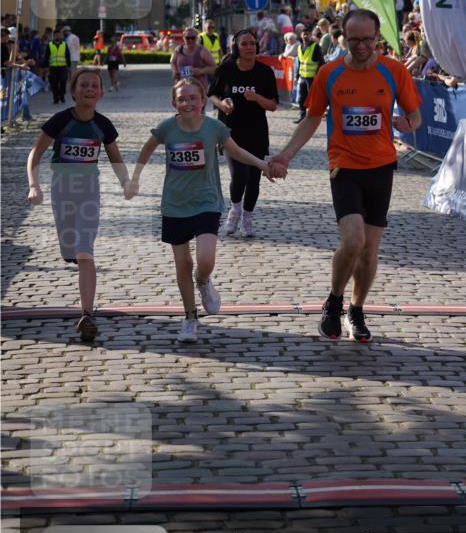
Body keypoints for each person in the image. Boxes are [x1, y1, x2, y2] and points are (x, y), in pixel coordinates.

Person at [269, 9, 422, 345]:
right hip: (344, 165)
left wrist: (408, 123)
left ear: (378, 37)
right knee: (353, 241)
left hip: (381, 166)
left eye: (368, 39)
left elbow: (415, 114)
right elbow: (312, 119)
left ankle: (356, 309)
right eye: (354, 40)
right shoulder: (330, 73)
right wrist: (286, 154)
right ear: (344, 39)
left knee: (369, 250)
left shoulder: (394, 71)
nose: (362, 46)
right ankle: (334, 300)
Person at [126, 78, 284, 342]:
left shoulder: (214, 128)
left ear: (202, 102)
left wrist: (262, 165)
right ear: (174, 103)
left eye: (192, 98)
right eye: (181, 99)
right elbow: (146, 149)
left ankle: (203, 281)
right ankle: (190, 319)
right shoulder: (166, 128)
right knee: (183, 264)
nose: (187, 103)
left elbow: (237, 152)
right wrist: (134, 178)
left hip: (207, 202)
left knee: (205, 259)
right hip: (175, 204)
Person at [26, 67, 130, 342]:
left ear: (101, 93)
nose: (89, 89)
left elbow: (115, 158)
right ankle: (73, 255)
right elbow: (35, 154)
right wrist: (34, 185)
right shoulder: (60, 120)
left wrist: (126, 182)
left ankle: (87, 314)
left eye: (94, 85)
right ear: (73, 91)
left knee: (85, 252)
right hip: (62, 191)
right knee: (70, 248)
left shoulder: (103, 125)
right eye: (83, 85)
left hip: (89, 193)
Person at [208, 28, 279, 238]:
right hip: (230, 132)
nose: (249, 47)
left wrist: (257, 98)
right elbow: (211, 95)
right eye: (244, 44)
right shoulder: (226, 69)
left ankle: (247, 217)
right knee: (240, 175)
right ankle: (235, 210)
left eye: (252, 43)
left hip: (256, 132)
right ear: (236, 48)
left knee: (254, 179)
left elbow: (273, 105)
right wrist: (223, 104)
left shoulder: (265, 72)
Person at [170, 26, 217, 97]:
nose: (190, 40)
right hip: (181, 88)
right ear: (183, 38)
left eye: (193, 38)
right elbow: (172, 61)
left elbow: (214, 68)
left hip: (199, 89)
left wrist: (201, 71)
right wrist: (174, 71)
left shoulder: (203, 51)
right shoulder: (179, 50)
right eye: (187, 38)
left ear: (197, 38)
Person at [295, 26, 324, 123]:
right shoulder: (299, 47)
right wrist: (297, 76)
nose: (305, 36)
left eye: (307, 34)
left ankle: (312, 117)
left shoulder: (315, 47)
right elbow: (299, 62)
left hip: (312, 78)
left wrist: (317, 75)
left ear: (311, 35)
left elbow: (321, 62)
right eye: (304, 34)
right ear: (301, 35)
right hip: (303, 77)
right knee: (301, 98)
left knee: (312, 99)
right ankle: (302, 116)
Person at [46, 26, 71, 104]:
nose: (58, 36)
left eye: (59, 35)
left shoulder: (64, 44)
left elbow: (68, 56)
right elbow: (46, 56)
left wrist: (69, 66)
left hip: (63, 67)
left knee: (63, 82)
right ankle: (55, 98)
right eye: (56, 35)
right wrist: (46, 67)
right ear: (54, 36)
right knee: (54, 83)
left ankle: (62, 96)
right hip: (53, 67)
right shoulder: (50, 45)